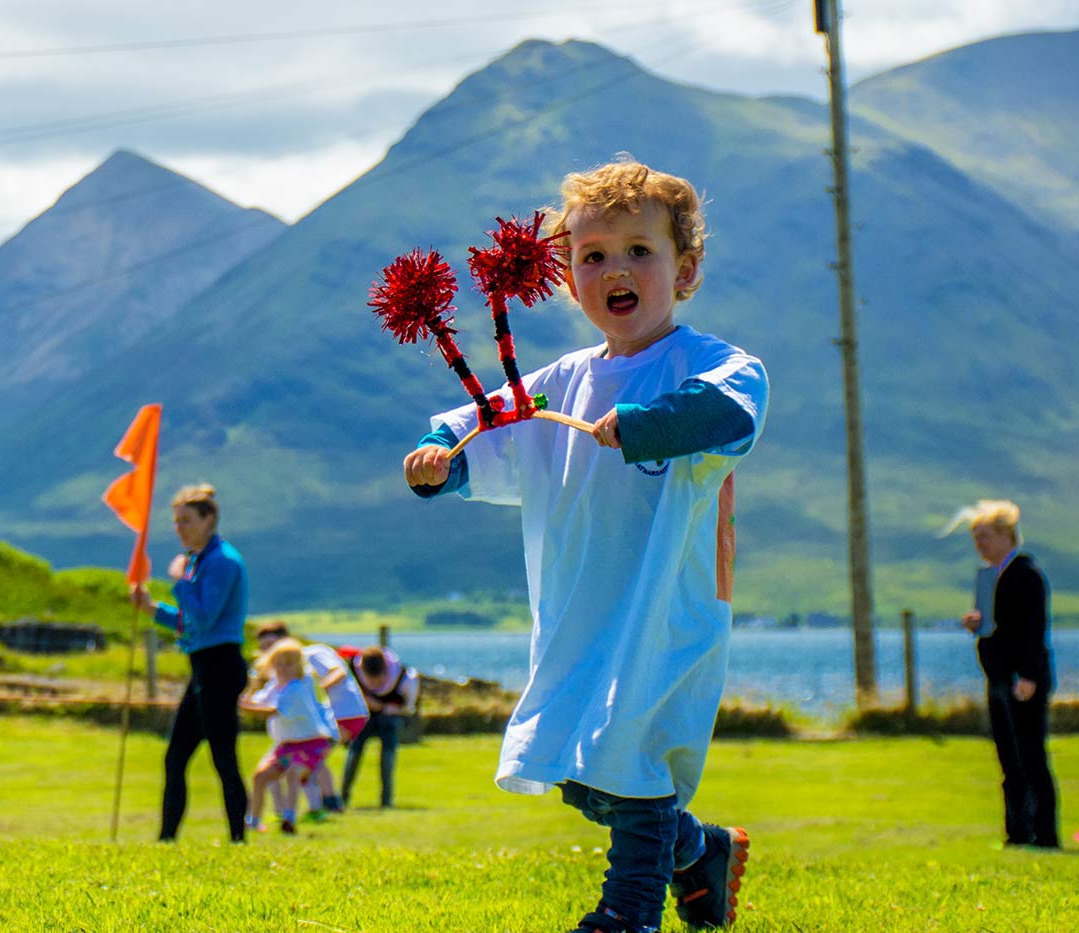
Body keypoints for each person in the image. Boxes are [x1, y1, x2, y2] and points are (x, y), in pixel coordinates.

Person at [402, 159, 768, 933]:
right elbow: (486, 422)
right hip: (580, 603)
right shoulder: (562, 380)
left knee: (631, 752)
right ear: (568, 277)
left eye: (640, 250)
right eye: (593, 255)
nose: (615, 269)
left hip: (665, 601)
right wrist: (441, 457)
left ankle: (625, 913)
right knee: (583, 767)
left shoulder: (702, 362)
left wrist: (649, 423)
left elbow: (736, 407)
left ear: (687, 269)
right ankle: (699, 849)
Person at [130, 482, 249, 843]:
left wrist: (180, 582)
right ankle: (166, 839)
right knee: (175, 757)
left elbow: (206, 616)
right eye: (176, 521)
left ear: (208, 518)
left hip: (221, 667)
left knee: (223, 757)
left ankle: (237, 839)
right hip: (203, 667)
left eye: (186, 520)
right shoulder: (201, 561)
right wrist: (153, 610)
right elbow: (191, 620)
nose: (179, 528)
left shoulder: (222, 561)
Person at [957, 498, 1059, 851]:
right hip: (998, 678)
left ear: (1006, 535)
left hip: (1021, 680)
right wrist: (976, 624)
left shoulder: (1025, 574)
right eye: (976, 537)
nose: (979, 544)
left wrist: (1028, 675)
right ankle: (1016, 831)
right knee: (1008, 758)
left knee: (1030, 756)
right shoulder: (990, 578)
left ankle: (1044, 833)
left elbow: (1035, 629)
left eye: (984, 536)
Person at [257, 622, 364, 815]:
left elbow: (337, 671)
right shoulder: (284, 668)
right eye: (264, 647)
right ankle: (328, 803)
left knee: (305, 758)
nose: (267, 651)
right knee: (311, 759)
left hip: (342, 714)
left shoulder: (308, 656)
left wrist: (316, 689)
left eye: (271, 645)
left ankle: (316, 806)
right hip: (333, 717)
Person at [239, 639, 336, 836]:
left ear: (298, 666)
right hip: (287, 745)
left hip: (310, 744)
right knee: (260, 776)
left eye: (288, 663)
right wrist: (246, 697)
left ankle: (289, 819)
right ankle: (253, 820)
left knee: (293, 774)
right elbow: (258, 701)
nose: (282, 668)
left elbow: (272, 711)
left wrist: (243, 707)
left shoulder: (296, 689)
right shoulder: (275, 686)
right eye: (279, 663)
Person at [340, 646, 416, 810]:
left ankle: (386, 800)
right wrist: (364, 702)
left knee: (389, 748)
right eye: (370, 681)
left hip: (391, 716)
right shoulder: (351, 671)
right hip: (362, 714)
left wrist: (383, 707)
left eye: (378, 681)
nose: (374, 685)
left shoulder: (405, 678)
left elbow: (408, 708)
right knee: (355, 747)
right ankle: (342, 797)